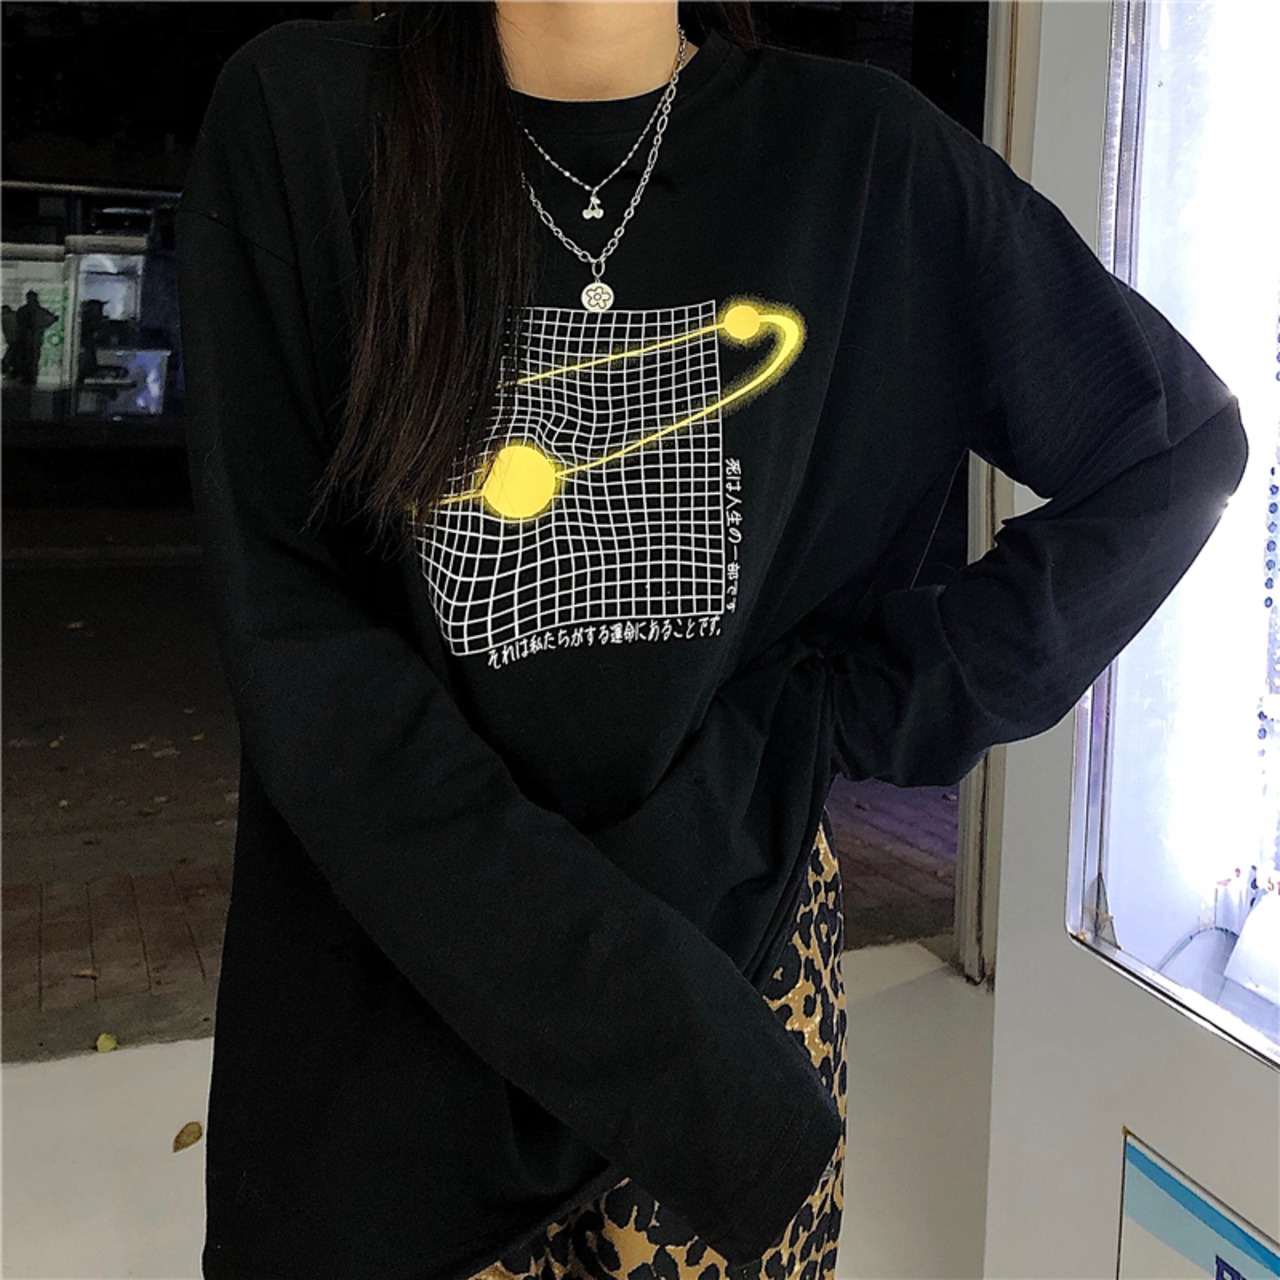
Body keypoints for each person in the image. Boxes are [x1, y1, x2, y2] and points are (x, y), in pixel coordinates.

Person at [173, 2, 1247, 1277]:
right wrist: (651, 1018)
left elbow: (1169, 446)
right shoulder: (303, 122)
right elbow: (303, 654)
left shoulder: (855, 161)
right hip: (394, 1036)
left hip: (732, 978)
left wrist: (865, 699)